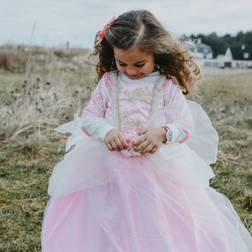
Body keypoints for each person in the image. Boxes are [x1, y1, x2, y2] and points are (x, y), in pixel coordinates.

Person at [41, 10, 252, 252]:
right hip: (107, 165)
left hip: (156, 168)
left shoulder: (166, 85)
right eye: (122, 63)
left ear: (155, 54)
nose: (130, 71)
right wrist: (107, 131)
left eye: (139, 64)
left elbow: (184, 126)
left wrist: (161, 133)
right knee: (109, 216)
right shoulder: (109, 82)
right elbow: (90, 117)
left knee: (156, 220)